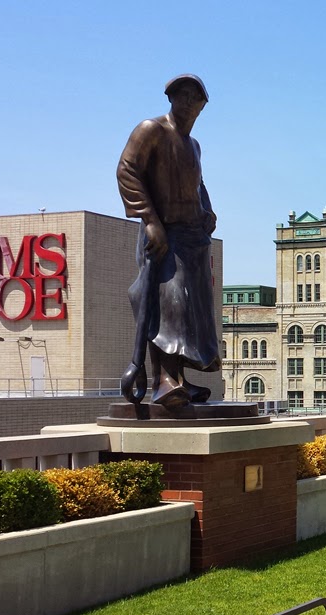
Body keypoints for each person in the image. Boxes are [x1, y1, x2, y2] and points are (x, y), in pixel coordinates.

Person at [117, 74, 220, 408]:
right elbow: (127, 170)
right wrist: (150, 220)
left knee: (191, 308)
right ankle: (163, 379)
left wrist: (207, 211)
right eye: (182, 94)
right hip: (165, 233)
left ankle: (180, 380)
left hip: (193, 237)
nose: (188, 102)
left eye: (195, 97)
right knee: (168, 302)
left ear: (203, 106)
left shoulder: (194, 145)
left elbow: (197, 185)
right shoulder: (152, 129)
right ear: (171, 97)